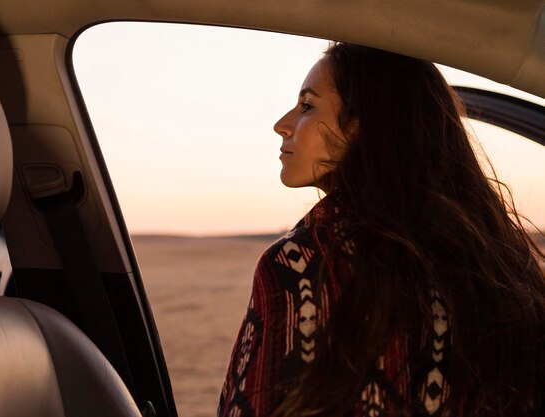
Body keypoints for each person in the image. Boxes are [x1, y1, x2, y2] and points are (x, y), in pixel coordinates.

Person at [218, 42, 545, 417]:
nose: (283, 124)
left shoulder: (300, 263)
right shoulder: (499, 267)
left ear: (363, 125)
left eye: (307, 106)